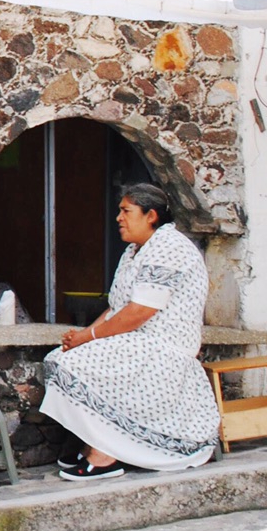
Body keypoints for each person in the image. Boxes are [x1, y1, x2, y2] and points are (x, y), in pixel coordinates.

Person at [42, 183, 220, 481]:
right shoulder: (133, 252)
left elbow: (139, 312)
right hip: (137, 340)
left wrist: (88, 338)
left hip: (164, 346)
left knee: (72, 363)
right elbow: (117, 308)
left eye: (126, 211)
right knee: (60, 357)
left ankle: (105, 455)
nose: (118, 218)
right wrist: (83, 335)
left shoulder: (169, 247)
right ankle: (97, 446)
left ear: (150, 215)